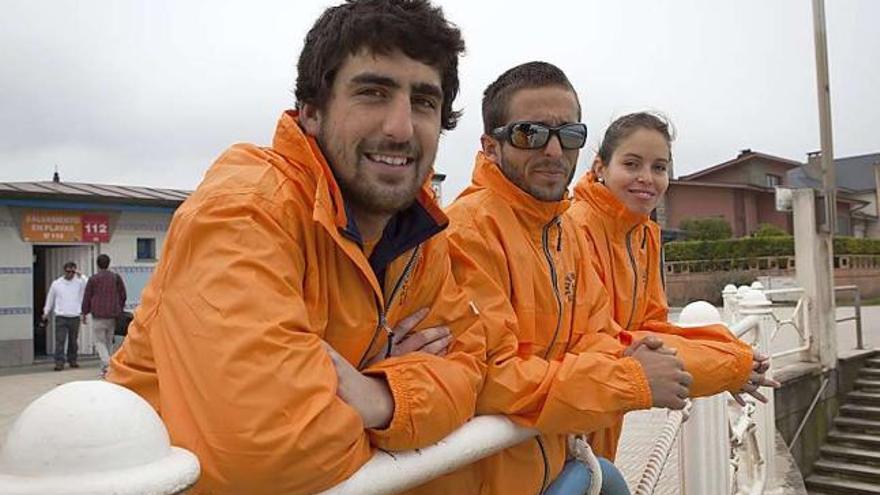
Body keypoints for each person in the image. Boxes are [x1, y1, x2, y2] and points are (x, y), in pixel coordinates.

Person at [108, 1, 485, 494]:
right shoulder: (244, 211)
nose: (400, 128)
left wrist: (382, 397)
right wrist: (407, 407)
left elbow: (472, 371)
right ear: (311, 111)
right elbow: (272, 451)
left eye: (423, 102)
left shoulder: (417, 235)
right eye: (372, 92)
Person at [427, 61, 692, 495]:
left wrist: (636, 356)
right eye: (530, 134)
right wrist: (629, 378)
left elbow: (597, 334)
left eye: (569, 135)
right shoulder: (465, 231)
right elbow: (490, 378)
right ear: (490, 146)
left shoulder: (562, 231)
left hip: (557, 465)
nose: (553, 151)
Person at [566, 111, 779, 459]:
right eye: (632, 164)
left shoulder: (642, 234)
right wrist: (729, 366)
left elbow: (650, 326)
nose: (646, 178)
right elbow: (604, 340)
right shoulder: (575, 229)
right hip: (572, 410)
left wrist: (731, 351)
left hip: (604, 415)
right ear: (600, 167)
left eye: (659, 167)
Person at [81, 254, 127, 377]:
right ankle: (106, 370)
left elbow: (87, 296)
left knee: (99, 342)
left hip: (98, 315)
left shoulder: (93, 279)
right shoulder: (116, 278)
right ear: (109, 263)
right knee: (108, 342)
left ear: (97, 264)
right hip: (112, 315)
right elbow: (123, 295)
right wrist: (119, 308)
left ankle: (107, 364)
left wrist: (84, 312)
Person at [42, 261, 86, 371]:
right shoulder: (57, 284)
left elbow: (89, 283)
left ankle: (73, 360)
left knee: (73, 341)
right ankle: (59, 362)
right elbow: (50, 298)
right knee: (60, 341)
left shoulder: (79, 282)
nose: (70, 274)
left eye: (73, 271)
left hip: (74, 316)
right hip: (61, 316)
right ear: (64, 271)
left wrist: (81, 274)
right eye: (68, 271)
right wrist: (46, 312)